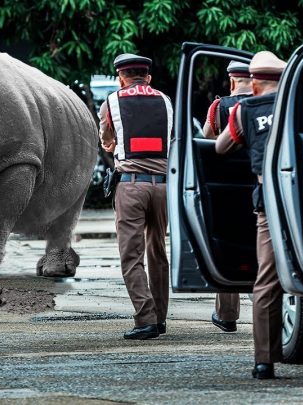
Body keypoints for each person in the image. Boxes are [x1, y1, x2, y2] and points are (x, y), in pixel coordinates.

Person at [215, 51, 303, 382]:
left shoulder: (244, 110)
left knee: (266, 280)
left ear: (254, 83)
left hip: (270, 203)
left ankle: (264, 362)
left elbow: (221, 148)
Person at [99, 53, 173, 340]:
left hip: (130, 185)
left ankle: (146, 319)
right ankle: (161, 318)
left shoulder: (113, 101)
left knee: (131, 256)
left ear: (121, 77)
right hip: (163, 187)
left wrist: (114, 143)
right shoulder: (165, 101)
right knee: (158, 252)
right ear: (148, 77)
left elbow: (106, 139)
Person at [203, 60, 253, 333]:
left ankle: (227, 315)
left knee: (230, 249)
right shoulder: (268, 105)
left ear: (232, 81)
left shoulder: (219, 106)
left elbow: (207, 139)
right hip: (262, 185)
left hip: (230, 189)